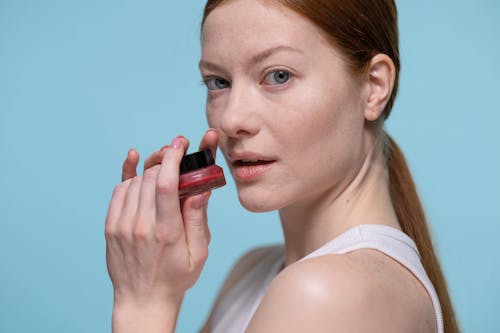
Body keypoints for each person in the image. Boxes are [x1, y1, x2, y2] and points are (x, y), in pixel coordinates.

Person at [104, 0, 460, 332]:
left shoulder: (325, 293)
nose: (231, 119)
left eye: (278, 76)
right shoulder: (254, 273)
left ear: (374, 87)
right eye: (219, 82)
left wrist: (144, 305)